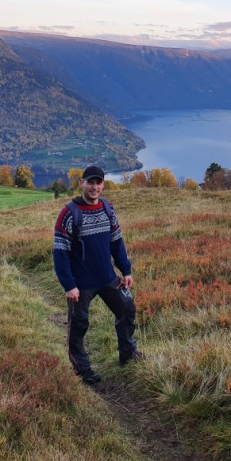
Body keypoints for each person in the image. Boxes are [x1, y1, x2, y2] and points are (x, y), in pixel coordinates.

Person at [53, 165, 143, 385]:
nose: (94, 187)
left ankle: (128, 353)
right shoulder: (69, 213)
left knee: (127, 309)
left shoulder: (107, 209)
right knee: (79, 324)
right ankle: (82, 369)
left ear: (103, 184)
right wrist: (69, 285)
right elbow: (60, 251)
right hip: (80, 284)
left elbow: (116, 242)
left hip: (108, 278)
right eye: (90, 182)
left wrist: (126, 270)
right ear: (81, 183)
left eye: (98, 183)